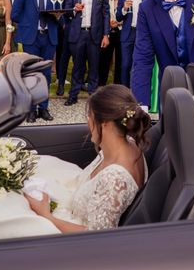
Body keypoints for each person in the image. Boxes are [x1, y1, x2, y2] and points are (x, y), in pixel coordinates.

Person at [25, 85, 150, 232]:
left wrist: (46, 215)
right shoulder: (130, 144)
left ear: (105, 123)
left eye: (90, 116)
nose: (88, 123)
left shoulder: (114, 178)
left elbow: (96, 237)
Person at [11, 0, 58, 122]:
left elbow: (62, 17)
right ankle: (30, 109)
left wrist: (59, 17)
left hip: (49, 37)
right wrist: (29, 22)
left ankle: (43, 108)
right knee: (31, 74)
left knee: (45, 74)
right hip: (31, 38)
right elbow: (14, 14)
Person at [63, 0, 110, 106]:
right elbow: (67, 11)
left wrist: (106, 34)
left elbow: (106, 14)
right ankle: (73, 95)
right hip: (78, 34)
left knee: (94, 66)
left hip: (94, 34)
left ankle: (93, 97)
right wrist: (74, 10)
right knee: (77, 66)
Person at [116, 0, 149, 87]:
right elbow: (118, 17)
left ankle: (139, 89)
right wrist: (124, 8)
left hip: (142, 33)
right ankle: (125, 91)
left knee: (140, 63)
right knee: (125, 65)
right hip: (127, 33)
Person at [56, 0, 84, 96]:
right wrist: (63, 24)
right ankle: (61, 84)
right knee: (64, 57)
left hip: (84, 29)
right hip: (69, 27)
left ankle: (78, 83)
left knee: (81, 58)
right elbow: (61, 9)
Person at [99, 0, 124, 86]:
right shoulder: (109, 1)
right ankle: (101, 82)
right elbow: (104, 14)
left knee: (120, 58)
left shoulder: (125, 1)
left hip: (121, 31)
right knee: (105, 57)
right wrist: (109, 23)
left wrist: (118, 23)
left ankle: (118, 82)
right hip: (109, 31)